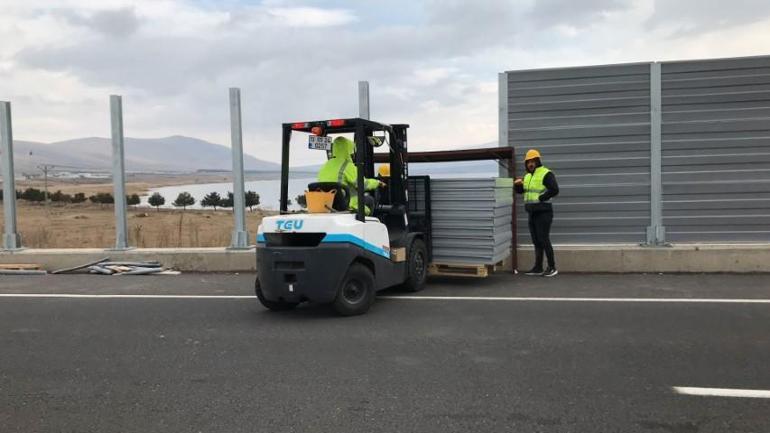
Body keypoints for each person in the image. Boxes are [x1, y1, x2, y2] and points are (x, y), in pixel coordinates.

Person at [514, 149, 559, 277]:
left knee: (544, 239)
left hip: (544, 212)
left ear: (538, 161)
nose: (531, 164)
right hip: (532, 213)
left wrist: (541, 198)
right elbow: (522, 192)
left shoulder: (546, 173)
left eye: (533, 161)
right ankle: (538, 267)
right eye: (528, 162)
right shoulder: (527, 176)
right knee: (536, 241)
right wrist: (518, 186)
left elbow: (555, 190)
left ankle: (552, 267)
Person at [317, 136, 383, 215]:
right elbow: (363, 184)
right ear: (348, 150)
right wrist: (377, 183)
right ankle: (369, 224)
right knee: (370, 200)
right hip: (347, 204)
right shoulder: (347, 166)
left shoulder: (325, 166)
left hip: (328, 204)